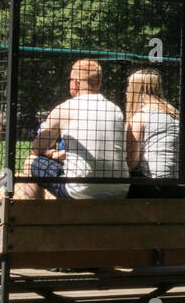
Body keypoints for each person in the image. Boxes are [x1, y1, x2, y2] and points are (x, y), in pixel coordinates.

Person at [23, 58, 129, 200]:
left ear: (76, 83)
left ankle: (33, 212)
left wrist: (50, 154)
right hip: (120, 189)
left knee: (31, 161)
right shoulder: (116, 110)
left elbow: (36, 149)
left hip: (79, 191)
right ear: (99, 83)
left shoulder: (65, 108)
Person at [124, 68, 185, 199]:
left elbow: (132, 161)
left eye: (128, 87)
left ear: (135, 90)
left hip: (157, 187)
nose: (126, 92)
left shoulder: (140, 116)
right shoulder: (176, 114)